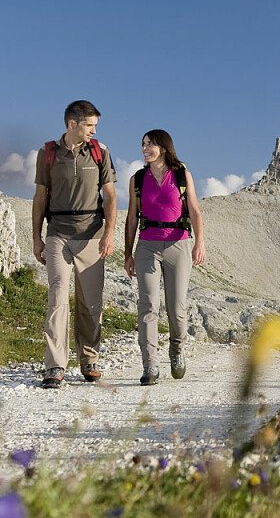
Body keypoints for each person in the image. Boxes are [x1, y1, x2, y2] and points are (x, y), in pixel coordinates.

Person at [33, 100, 117, 389]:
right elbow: (40, 197)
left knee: (90, 305)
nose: (94, 130)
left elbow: (110, 197)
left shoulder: (100, 152)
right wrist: (36, 238)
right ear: (72, 124)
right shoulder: (47, 154)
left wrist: (109, 234)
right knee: (57, 299)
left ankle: (89, 359)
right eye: (89, 125)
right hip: (58, 235)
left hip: (92, 235)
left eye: (95, 125)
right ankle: (55, 366)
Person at [123, 129, 206, 385]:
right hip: (147, 245)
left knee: (177, 308)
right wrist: (128, 252)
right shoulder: (137, 179)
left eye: (150, 144)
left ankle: (177, 351)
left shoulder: (181, 174)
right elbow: (132, 218)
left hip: (178, 244)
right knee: (148, 305)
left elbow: (194, 209)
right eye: (143, 144)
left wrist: (199, 243)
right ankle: (150, 366)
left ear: (163, 147)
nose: (145, 148)